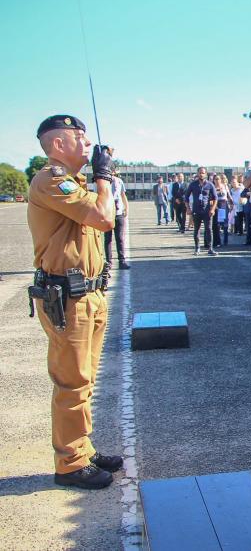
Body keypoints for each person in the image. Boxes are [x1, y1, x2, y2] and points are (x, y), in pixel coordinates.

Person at [27, 114, 122, 490]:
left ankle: (81, 447)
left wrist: (97, 180)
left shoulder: (73, 183)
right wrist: (103, 179)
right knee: (72, 382)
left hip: (88, 294)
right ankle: (69, 463)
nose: (87, 143)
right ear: (57, 145)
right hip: (67, 297)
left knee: (85, 381)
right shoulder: (51, 179)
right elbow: (103, 217)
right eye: (78, 137)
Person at [185, 167, 218, 256]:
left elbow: (215, 198)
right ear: (197, 173)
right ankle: (197, 248)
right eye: (200, 173)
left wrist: (212, 209)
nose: (201, 174)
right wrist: (188, 208)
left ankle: (210, 248)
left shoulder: (210, 185)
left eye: (203, 173)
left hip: (207, 211)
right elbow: (186, 197)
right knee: (197, 230)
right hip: (196, 210)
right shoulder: (193, 184)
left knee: (208, 229)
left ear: (206, 174)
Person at [104, 167, 130, 269]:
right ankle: (109, 262)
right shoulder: (103, 182)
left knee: (120, 238)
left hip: (118, 212)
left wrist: (126, 207)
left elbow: (123, 195)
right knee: (108, 239)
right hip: (107, 213)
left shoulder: (119, 181)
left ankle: (121, 260)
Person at [212, 174, 232, 248]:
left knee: (225, 224)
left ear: (221, 180)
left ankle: (225, 240)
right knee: (217, 224)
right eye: (215, 179)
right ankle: (218, 241)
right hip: (217, 205)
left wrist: (232, 203)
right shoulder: (212, 187)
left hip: (224, 205)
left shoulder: (225, 186)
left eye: (218, 179)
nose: (217, 181)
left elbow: (229, 195)